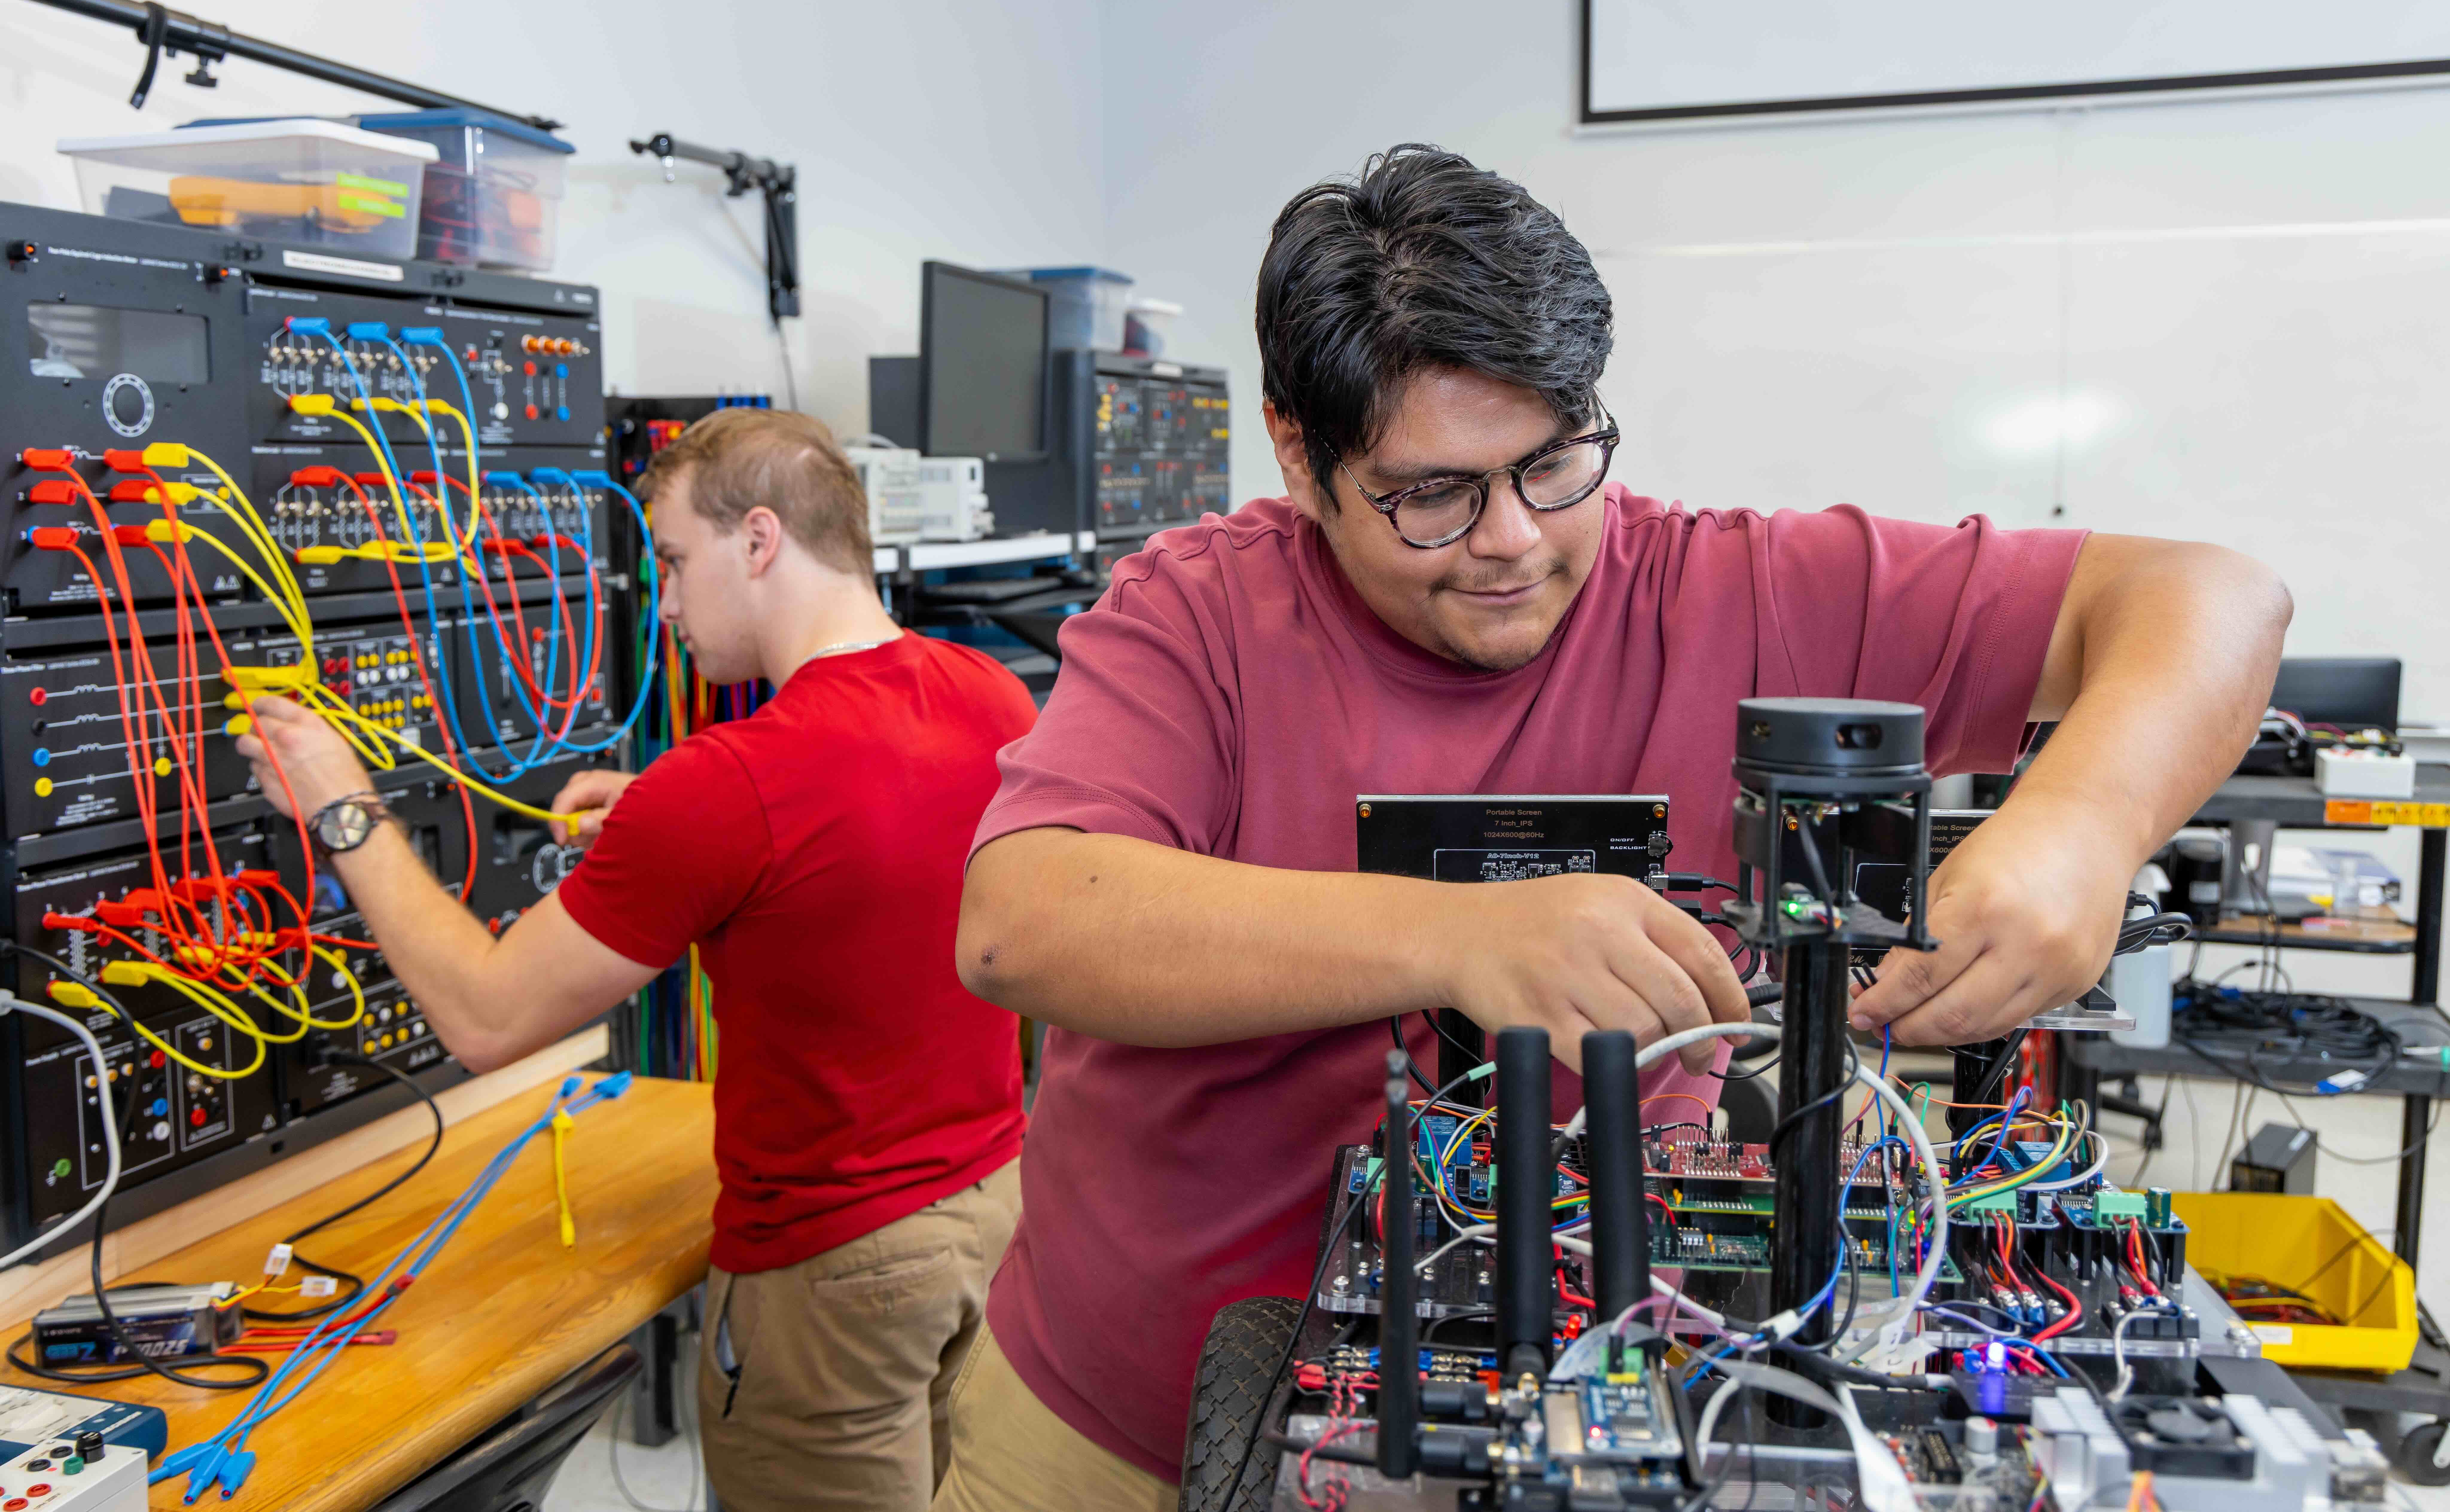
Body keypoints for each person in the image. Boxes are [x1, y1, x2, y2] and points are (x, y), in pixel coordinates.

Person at [929, 146, 2290, 1511]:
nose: (1512, 539)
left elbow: (2212, 598)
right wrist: (1459, 936)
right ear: (1300, 452)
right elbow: (1024, 919)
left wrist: (2080, 824)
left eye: (1550, 463)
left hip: (1582, 1420)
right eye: (1433, 493)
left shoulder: (1740, 589)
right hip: (1122, 1428)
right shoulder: (1197, 618)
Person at [236, 408, 1038, 1512]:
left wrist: (342, 809)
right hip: (992, 1216)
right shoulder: (985, 692)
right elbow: (860, 853)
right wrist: (671, 828)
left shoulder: (726, 788)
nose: (662, 603)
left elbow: (484, 1016)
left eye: (670, 560)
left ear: (759, 541)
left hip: (834, 1271)